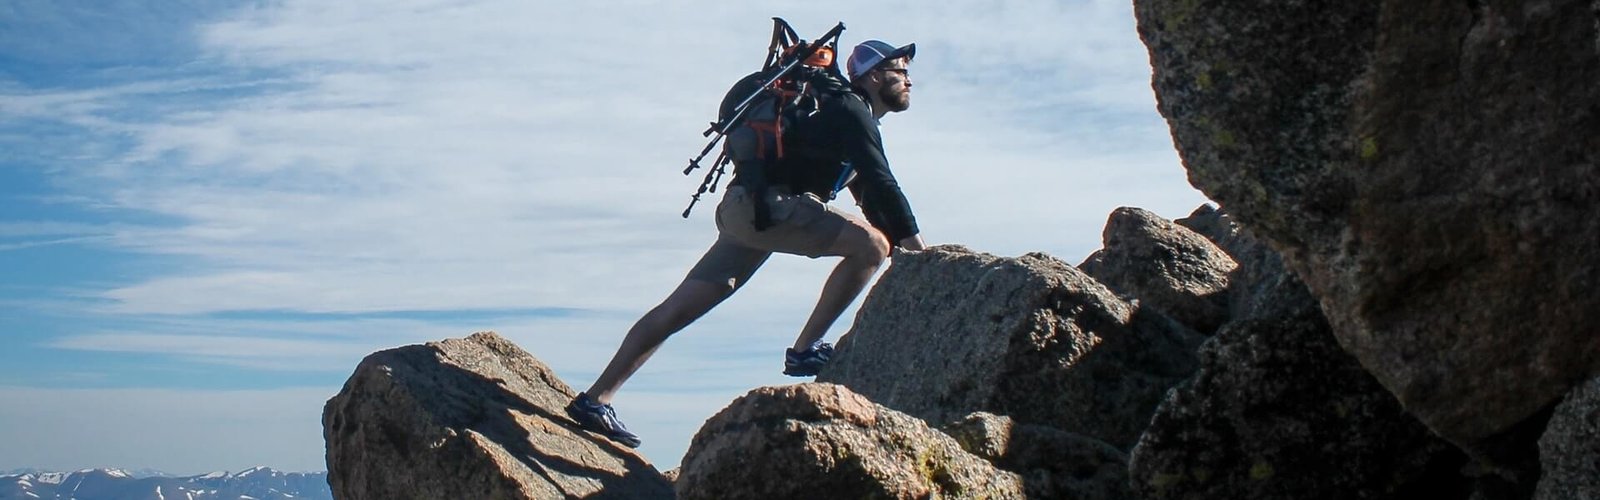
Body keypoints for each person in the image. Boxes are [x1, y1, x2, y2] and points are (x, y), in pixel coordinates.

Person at [566, 39, 926, 448]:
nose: (909, 80)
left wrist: (908, 247)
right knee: (871, 247)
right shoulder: (850, 110)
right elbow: (882, 182)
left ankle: (596, 399)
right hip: (766, 208)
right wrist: (922, 255)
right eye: (901, 71)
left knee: (678, 308)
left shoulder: (840, 113)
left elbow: (871, 195)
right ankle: (805, 350)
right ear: (874, 76)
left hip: (746, 210)